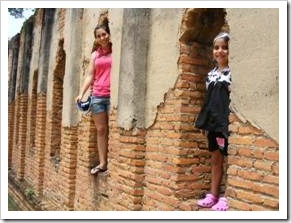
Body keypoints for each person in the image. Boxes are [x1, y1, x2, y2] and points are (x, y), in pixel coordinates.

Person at [194, 32, 231, 211]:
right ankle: (213, 194)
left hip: (227, 125)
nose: (220, 51)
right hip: (214, 125)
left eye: (224, 47)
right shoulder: (210, 75)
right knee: (215, 159)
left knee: (229, 158)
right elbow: (208, 100)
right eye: (216, 48)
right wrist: (205, 123)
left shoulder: (232, 72)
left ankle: (227, 196)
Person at [76, 21, 112, 175]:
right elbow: (90, 75)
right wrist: (81, 93)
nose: (102, 38)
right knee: (101, 130)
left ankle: (115, 162)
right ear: (96, 39)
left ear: (109, 34)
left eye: (104, 34)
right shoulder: (95, 55)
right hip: (97, 96)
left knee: (115, 128)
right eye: (99, 36)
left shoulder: (115, 51)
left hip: (112, 96)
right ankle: (103, 163)